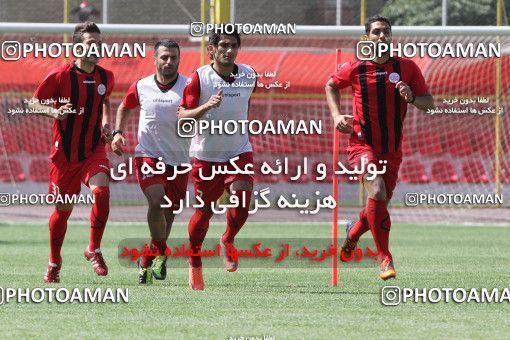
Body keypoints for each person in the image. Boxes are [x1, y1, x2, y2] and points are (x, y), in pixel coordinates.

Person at [325, 15, 434, 280]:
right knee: (376, 188)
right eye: (376, 32)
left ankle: (353, 233)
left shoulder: (407, 68)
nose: (382, 36)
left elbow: (428, 103)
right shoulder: (354, 68)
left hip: (392, 150)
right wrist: (337, 116)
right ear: (367, 38)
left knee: (379, 203)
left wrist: (412, 97)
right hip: (361, 145)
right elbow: (330, 85)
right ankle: (385, 258)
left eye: (386, 31)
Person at [29, 22, 114, 283]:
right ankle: (54, 262)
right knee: (63, 210)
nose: (96, 48)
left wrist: (106, 123)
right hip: (64, 156)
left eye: (99, 43)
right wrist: (54, 112)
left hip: (92, 150)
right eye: (90, 43)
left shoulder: (106, 77)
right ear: (77, 46)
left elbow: (105, 101)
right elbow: (33, 103)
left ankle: (94, 249)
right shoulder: (60, 76)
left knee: (101, 192)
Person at [178, 30, 256, 290]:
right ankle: (195, 261)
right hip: (206, 156)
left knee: (243, 200)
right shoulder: (199, 78)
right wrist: (206, 107)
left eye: (234, 45)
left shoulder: (249, 74)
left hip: (238, 150)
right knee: (205, 211)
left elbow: (245, 106)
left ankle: (228, 239)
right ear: (211, 49)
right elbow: (183, 116)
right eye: (223, 45)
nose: (229, 50)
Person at [112, 39, 190, 284]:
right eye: (164, 57)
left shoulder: (189, 86)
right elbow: (125, 107)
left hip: (179, 159)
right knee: (156, 201)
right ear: (154, 59)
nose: (169, 62)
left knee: (169, 214)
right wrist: (118, 133)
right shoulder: (142, 86)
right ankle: (162, 251)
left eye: (173, 58)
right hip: (148, 155)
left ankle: (147, 258)